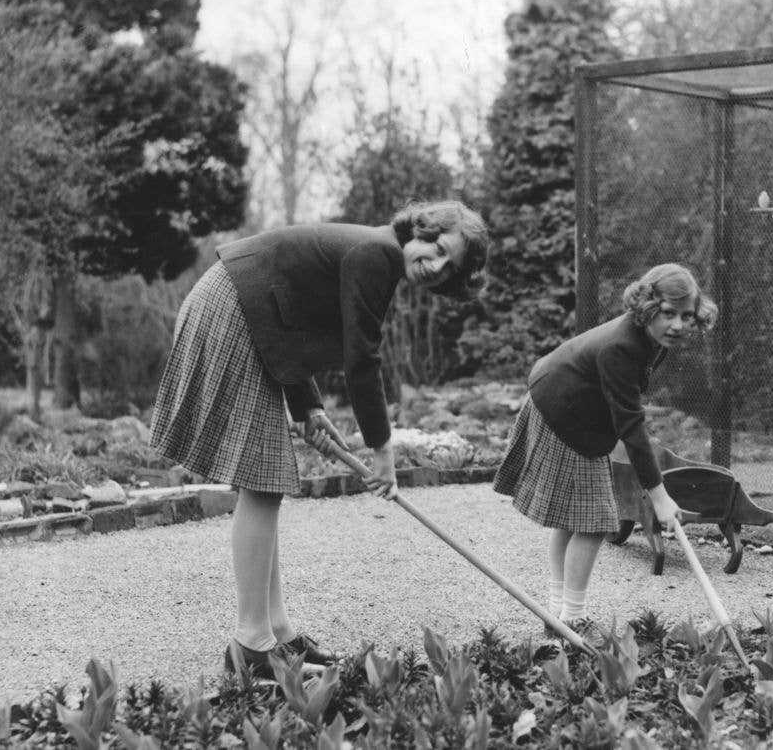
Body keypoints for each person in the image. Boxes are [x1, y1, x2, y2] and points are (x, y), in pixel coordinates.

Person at [149, 200, 489, 679]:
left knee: (264, 479)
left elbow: (288, 316)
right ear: (420, 229)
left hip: (246, 311)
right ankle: (251, 645)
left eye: (448, 265)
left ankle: (278, 634)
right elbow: (362, 361)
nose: (434, 264)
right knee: (263, 478)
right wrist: (382, 452)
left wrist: (307, 409)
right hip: (231, 308)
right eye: (436, 246)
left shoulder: (376, 252)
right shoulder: (379, 254)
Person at [493, 263, 717, 633]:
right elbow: (631, 424)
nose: (678, 325)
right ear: (647, 307)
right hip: (561, 410)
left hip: (571, 405)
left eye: (686, 316)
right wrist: (658, 496)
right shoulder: (622, 346)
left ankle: (558, 611)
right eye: (668, 313)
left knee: (574, 517)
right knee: (595, 520)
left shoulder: (650, 338)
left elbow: (623, 408)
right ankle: (572, 617)